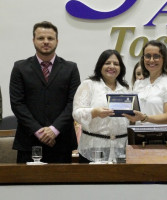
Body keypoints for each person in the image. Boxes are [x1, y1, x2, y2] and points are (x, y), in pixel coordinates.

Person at [10, 21, 81, 163]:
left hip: (61, 143)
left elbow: (73, 103)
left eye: (50, 38)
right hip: (29, 142)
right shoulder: (20, 68)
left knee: (61, 185)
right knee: (26, 185)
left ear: (57, 41)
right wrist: (39, 131)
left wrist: (54, 130)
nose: (46, 42)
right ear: (33, 40)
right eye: (41, 38)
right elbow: (17, 104)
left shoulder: (70, 68)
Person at [72, 49, 130, 163]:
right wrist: (94, 112)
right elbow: (76, 113)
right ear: (100, 66)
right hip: (93, 147)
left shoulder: (126, 88)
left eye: (116, 64)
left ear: (121, 68)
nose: (112, 66)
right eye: (107, 63)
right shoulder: (89, 85)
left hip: (120, 148)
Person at [123, 40, 167, 124]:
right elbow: (133, 115)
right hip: (138, 134)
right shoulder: (138, 84)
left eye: (156, 56)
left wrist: (145, 118)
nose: (151, 60)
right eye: (148, 56)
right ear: (143, 59)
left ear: (164, 59)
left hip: (160, 135)